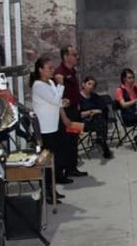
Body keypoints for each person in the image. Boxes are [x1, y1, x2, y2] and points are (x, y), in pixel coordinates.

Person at [30, 55, 70, 202]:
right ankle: (46, 191)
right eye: (49, 68)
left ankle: (52, 188)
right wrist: (61, 85)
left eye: (53, 68)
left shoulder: (50, 84)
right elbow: (54, 99)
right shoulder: (38, 85)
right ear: (40, 70)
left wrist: (63, 102)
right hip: (44, 129)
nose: (52, 71)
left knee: (54, 160)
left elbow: (56, 101)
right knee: (45, 161)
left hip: (53, 126)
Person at [53, 44, 87, 178]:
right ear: (65, 56)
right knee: (64, 142)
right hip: (65, 113)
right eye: (74, 55)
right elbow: (57, 97)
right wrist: (63, 115)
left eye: (76, 54)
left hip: (74, 110)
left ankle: (72, 168)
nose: (77, 57)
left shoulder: (73, 72)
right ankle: (61, 172)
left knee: (73, 140)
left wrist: (78, 104)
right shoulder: (59, 73)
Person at [79, 76, 113, 159]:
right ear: (83, 84)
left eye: (93, 85)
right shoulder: (77, 97)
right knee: (100, 120)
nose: (91, 86)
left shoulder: (95, 96)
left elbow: (103, 109)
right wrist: (90, 112)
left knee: (99, 118)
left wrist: (96, 112)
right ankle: (103, 144)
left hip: (97, 122)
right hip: (83, 123)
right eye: (89, 84)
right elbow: (77, 114)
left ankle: (101, 139)